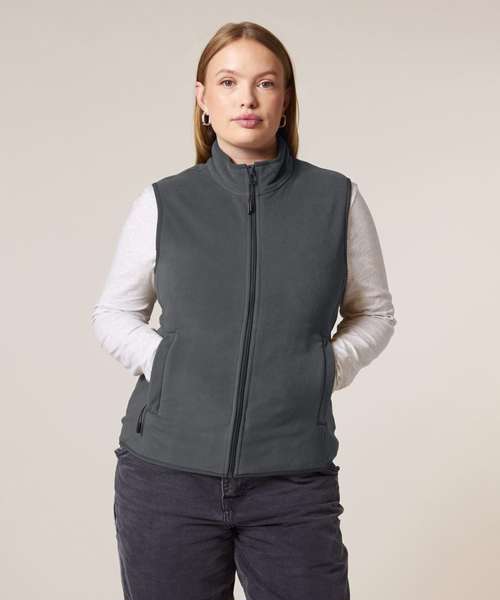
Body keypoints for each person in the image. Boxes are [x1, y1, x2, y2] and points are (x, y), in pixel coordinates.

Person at [91, 21, 396, 600]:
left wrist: (324, 369)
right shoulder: (164, 202)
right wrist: (169, 364)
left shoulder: (335, 199)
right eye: (228, 82)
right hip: (166, 480)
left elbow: (374, 313)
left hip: (291, 482)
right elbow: (113, 313)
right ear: (203, 99)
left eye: (265, 83)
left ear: (286, 99)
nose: (247, 99)